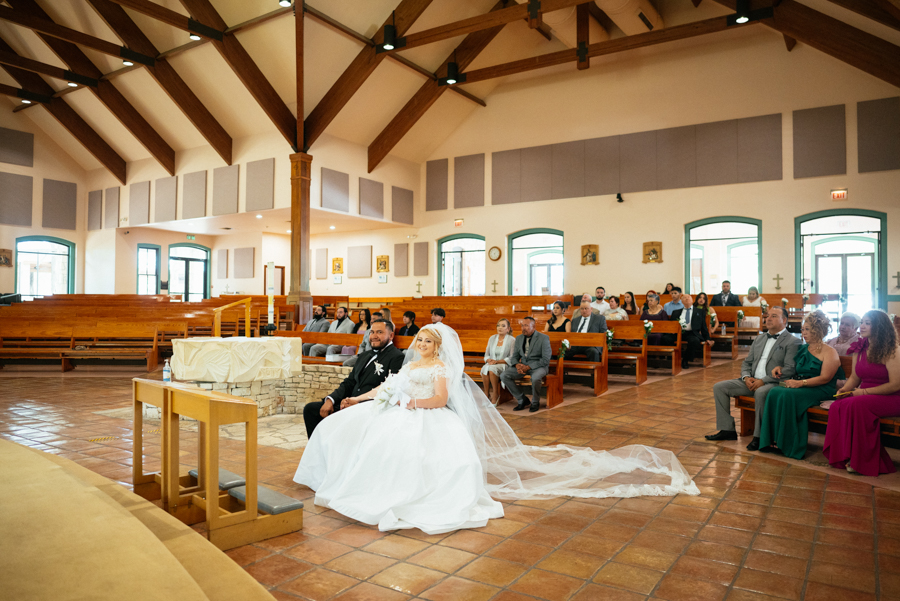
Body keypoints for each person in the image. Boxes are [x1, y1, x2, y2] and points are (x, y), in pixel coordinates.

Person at [294, 323, 699, 534]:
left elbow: (436, 400)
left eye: (426, 341)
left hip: (426, 417)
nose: (420, 344)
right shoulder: (409, 364)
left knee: (407, 456)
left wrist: (407, 402)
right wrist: (356, 400)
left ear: (437, 347)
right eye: (418, 339)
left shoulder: (438, 368)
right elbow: (387, 387)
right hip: (399, 408)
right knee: (345, 429)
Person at [706, 306, 801, 451]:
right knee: (720, 387)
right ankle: (727, 430)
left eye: (774, 316)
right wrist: (745, 377)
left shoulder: (792, 341)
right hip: (751, 380)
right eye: (768, 315)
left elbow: (789, 369)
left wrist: (764, 380)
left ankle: (759, 437)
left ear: (785, 321)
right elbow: (747, 362)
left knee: (761, 392)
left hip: (773, 383)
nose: (768, 318)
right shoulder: (760, 338)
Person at [823, 310, 900, 477]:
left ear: (879, 326)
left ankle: (862, 462)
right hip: (864, 394)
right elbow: (855, 376)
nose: (862, 326)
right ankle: (844, 456)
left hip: (891, 397)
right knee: (838, 405)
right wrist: (844, 390)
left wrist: (863, 392)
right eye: (862, 322)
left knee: (856, 404)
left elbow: (895, 385)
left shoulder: (893, 350)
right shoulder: (860, 347)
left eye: (868, 323)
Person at [759, 310, 842, 459]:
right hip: (802, 386)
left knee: (786, 395)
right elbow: (793, 368)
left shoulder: (830, 352)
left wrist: (800, 383)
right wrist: (780, 369)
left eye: (808, 329)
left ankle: (787, 443)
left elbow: (825, 378)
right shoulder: (803, 349)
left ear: (818, 330)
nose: (803, 333)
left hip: (820, 389)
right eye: (802, 329)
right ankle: (771, 439)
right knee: (774, 392)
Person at [302, 319, 405, 437]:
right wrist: (331, 399)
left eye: (379, 332)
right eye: (372, 332)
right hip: (348, 403)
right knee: (311, 410)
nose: (374, 336)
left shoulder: (397, 357)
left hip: (368, 406)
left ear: (391, 335)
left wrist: (357, 401)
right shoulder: (364, 355)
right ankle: (320, 451)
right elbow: (349, 382)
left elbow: (389, 389)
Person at [500, 317, 552, 412]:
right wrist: (517, 365)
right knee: (504, 375)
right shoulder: (519, 338)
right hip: (523, 366)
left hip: (539, 366)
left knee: (535, 378)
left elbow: (545, 359)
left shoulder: (543, 338)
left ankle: (535, 402)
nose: (523, 328)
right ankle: (521, 399)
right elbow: (514, 356)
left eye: (526, 325)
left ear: (534, 327)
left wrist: (528, 367)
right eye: (522, 325)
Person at [482, 318, 515, 405]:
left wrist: (497, 362)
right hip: (492, 363)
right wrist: (488, 360)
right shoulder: (492, 338)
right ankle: (486, 394)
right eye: (498, 325)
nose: (500, 328)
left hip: (504, 364)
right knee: (485, 369)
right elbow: (486, 355)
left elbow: (512, 357)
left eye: (503, 326)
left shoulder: (512, 340)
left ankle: (495, 395)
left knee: (491, 370)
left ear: (508, 329)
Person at [568, 294, 607, 363]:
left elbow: (603, 333)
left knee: (593, 352)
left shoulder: (599, 319)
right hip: (576, 344)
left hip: (590, 344)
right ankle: (561, 371)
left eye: (586, 308)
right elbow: (571, 334)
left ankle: (595, 373)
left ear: (591, 309)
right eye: (582, 309)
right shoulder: (575, 320)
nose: (584, 311)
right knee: (563, 351)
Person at [826, 312, 860, 388]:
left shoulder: (860, 343)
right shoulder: (830, 342)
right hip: (829, 377)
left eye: (847, 325)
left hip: (849, 381)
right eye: (842, 323)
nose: (843, 327)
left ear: (855, 328)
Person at [678, 294, 710, 369]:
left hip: (692, 333)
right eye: (684, 298)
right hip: (679, 333)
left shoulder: (699, 311)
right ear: (682, 301)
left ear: (692, 300)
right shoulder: (676, 312)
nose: (686, 299)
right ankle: (670, 360)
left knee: (695, 341)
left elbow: (703, 326)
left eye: (688, 297)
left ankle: (685, 360)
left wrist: (707, 338)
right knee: (665, 338)